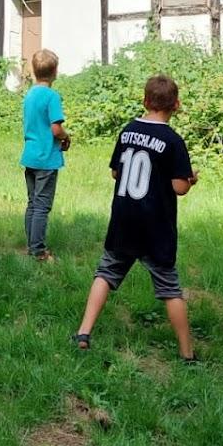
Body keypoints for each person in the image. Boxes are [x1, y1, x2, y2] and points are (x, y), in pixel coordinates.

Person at [72, 75, 198, 361]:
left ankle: (83, 333)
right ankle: (187, 353)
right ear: (176, 105)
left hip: (124, 219)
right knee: (170, 288)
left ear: (144, 101)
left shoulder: (128, 131)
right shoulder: (173, 140)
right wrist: (191, 179)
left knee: (105, 273)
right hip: (156, 226)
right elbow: (179, 187)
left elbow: (116, 172)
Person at [20, 47, 70, 261]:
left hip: (30, 156)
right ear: (55, 72)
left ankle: (30, 245)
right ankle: (38, 250)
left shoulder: (29, 95)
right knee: (42, 206)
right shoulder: (52, 96)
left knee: (32, 203)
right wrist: (66, 137)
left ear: (34, 71)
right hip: (46, 159)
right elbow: (56, 129)